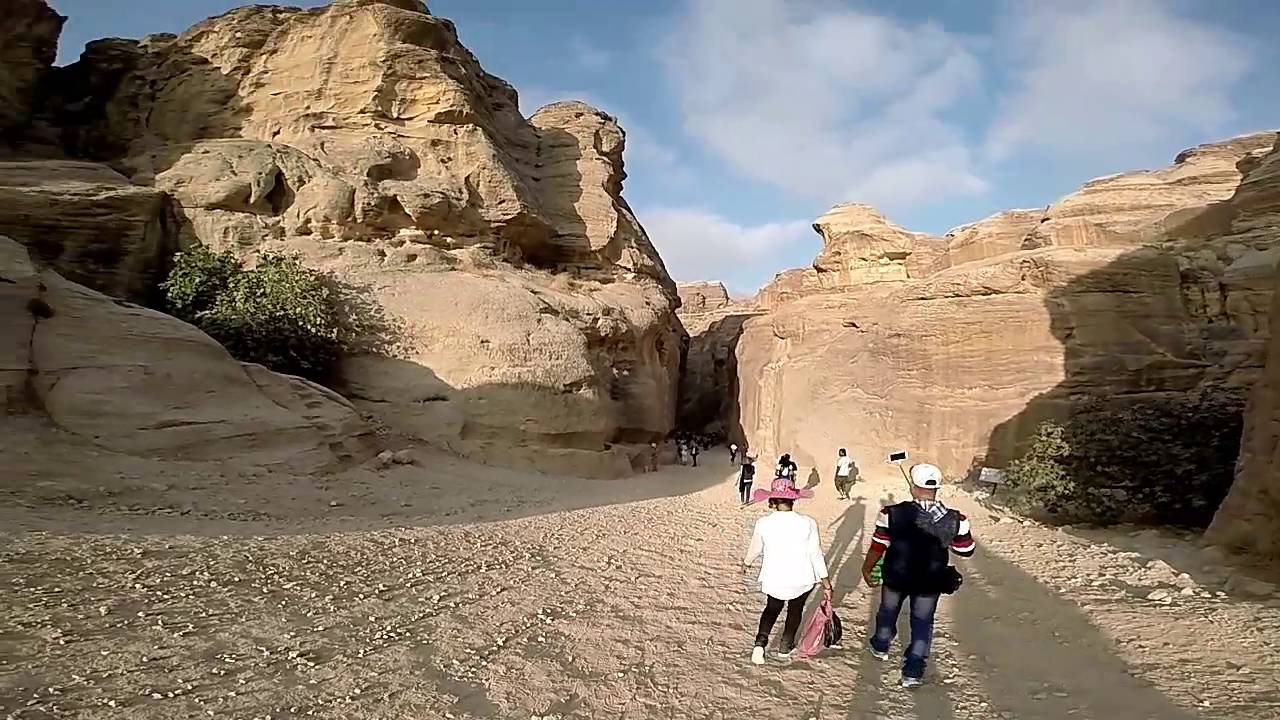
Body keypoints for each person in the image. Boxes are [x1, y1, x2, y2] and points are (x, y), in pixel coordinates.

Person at [861, 463, 975, 688]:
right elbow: (966, 549)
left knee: (887, 611)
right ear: (937, 488)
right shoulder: (957, 519)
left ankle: (881, 646)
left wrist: (867, 568)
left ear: (914, 487)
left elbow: (878, 545)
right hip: (930, 580)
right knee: (923, 622)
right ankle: (913, 671)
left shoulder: (890, 513)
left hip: (896, 576)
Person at [743, 477, 830, 665]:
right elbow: (815, 553)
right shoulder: (808, 522)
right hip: (802, 578)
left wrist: (747, 563)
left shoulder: (763, 523)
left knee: (772, 608)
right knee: (795, 610)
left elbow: (756, 548)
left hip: (774, 577)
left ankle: (760, 643)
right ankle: (785, 646)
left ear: (772, 501)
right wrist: (825, 581)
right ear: (793, 499)